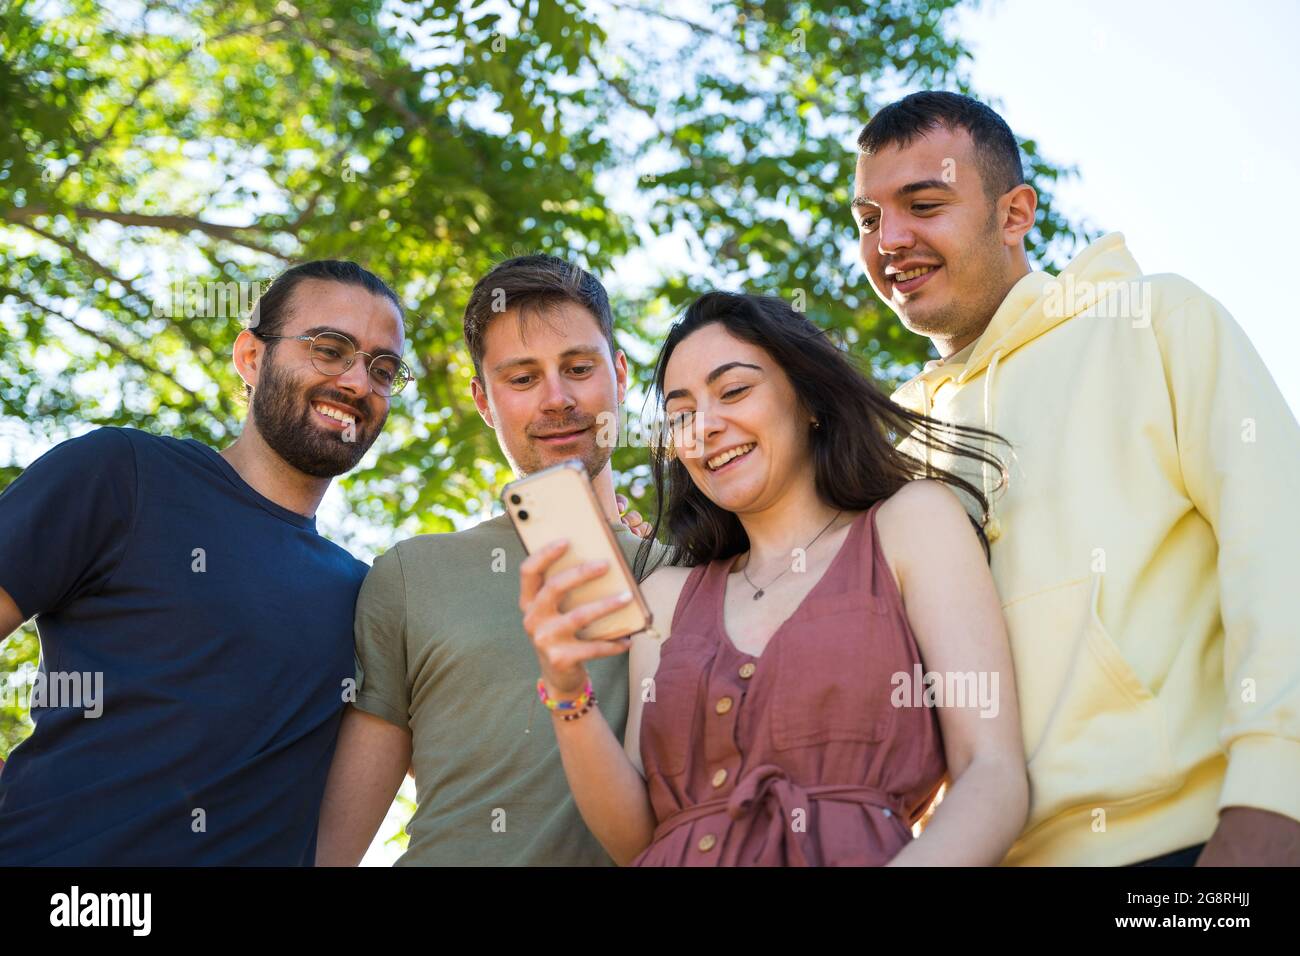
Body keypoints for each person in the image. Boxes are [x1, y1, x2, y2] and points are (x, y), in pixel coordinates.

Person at [853, 90, 1300, 866]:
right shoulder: (887, 443)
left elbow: (1281, 553)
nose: (889, 239)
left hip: (1195, 845)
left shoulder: (1156, 320)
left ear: (1015, 214)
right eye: (867, 219)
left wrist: (1275, 799)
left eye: (923, 204)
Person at [519, 291, 1029, 866]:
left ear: (808, 397)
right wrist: (566, 691)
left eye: (734, 391)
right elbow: (638, 837)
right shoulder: (664, 598)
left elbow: (993, 775)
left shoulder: (912, 524)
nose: (704, 427)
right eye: (681, 412)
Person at [0, 259, 409, 864]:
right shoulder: (122, 473)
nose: (356, 381)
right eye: (330, 349)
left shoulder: (368, 596)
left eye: (382, 368)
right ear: (251, 357)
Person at [315, 254, 654, 866]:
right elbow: (335, 847)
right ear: (483, 399)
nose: (557, 399)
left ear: (621, 374)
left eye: (578, 368)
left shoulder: (698, 567)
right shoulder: (413, 575)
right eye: (521, 379)